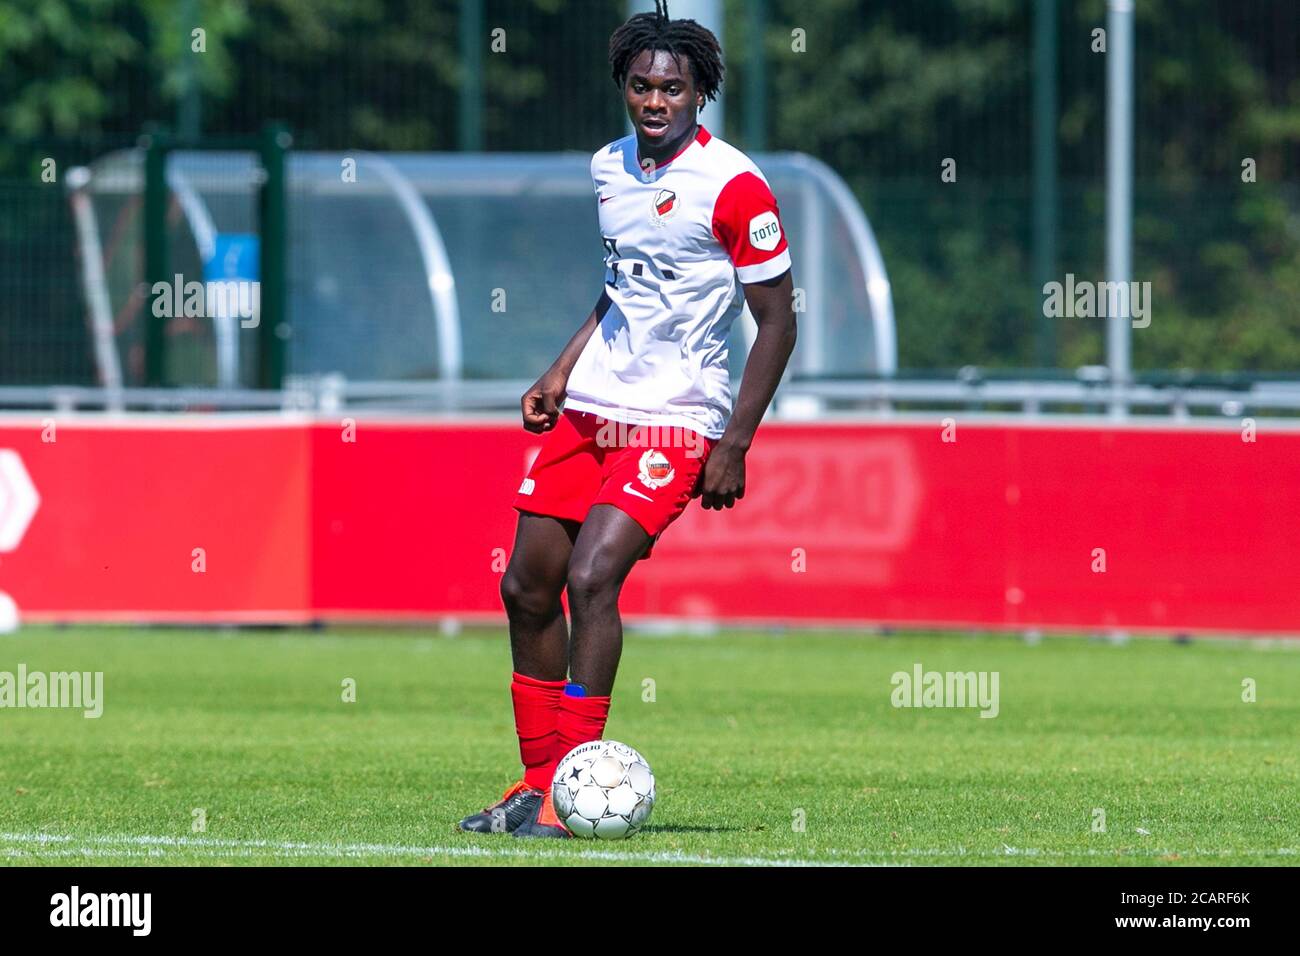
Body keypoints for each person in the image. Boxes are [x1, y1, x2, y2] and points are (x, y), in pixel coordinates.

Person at [459, 0, 797, 838]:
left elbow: (780, 318)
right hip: (591, 409)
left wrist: (735, 442)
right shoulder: (608, 169)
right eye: (642, 87)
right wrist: (561, 368)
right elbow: (624, 288)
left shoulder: (735, 187)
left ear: (699, 94)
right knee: (525, 586)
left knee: (592, 578)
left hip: (677, 419)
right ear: (623, 87)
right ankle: (535, 786)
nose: (656, 102)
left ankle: (573, 795)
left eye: (673, 89)